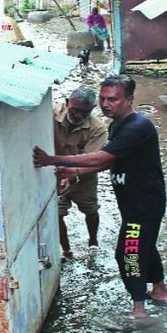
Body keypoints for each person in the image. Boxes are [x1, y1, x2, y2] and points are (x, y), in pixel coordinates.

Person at [33, 75, 167, 318]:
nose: (107, 104)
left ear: (129, 100)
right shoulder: (117, 125)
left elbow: (103, 158)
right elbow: (111, 162)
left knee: (128, 253)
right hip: (132, 202)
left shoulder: (138, 127)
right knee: (144, 247)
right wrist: (75, 171)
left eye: (114, 99)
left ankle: (139, 312)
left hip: (143, 205)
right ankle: (159, 290)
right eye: (103, 99)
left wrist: (53, 160)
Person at [53, 86, 107, 262]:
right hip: (55, 174)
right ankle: (66, 251)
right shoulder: (51, 113)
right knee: (56, 214)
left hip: (84, 176)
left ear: (91, 111)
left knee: (90, 210)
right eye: (74, 110)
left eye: (83, 113)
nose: (77, 115)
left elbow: (91, 160)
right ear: (67, 103)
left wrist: (72, 176)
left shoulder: (98, 129)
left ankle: (93, 241)